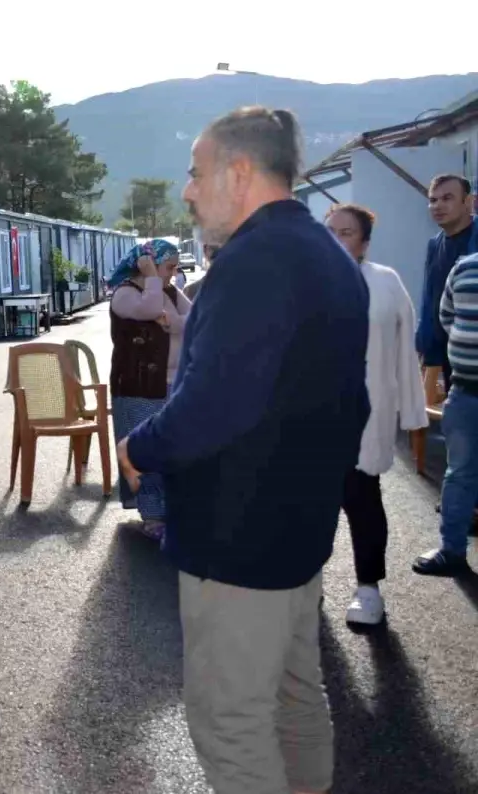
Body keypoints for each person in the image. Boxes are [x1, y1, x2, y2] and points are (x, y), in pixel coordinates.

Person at [118, 107, 369, 794]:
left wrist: (139, 446)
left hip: (238, 535)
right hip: (298, 529)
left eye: (197, 174)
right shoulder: (330, 257)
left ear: (238, 171)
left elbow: (214, 401)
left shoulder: (253, 262)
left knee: (232, 722)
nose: (189, 191)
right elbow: (355, 403)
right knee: (296, 697)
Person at [325, 204, 429, 623]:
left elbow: (407, 351)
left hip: (367, 414)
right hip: (310, 418)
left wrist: (412, 412)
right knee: (308, 505)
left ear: (365, 242)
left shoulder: (386, 283)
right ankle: (304, 583)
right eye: (329, 231)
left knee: (362, 499)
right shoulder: (302, 284)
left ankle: (369, 589)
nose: (335, 239)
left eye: (346, 232)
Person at [107, 240, 190, 540]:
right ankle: (152, 515)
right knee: (145, 451)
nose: (174, 273)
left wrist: (172, 323)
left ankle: (170, 509)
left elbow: (194, 319)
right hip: (139, 387)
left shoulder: (168, 290)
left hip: (173, 384)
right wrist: (153, 278)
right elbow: (151, 309)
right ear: (150, 264)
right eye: (169, 266)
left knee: (172, 449)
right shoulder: (125, 293)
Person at [416, 244, 478, 577]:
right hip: (466, 392)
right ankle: (452, 551)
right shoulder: (464, 268)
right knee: (460, 475)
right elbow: (447, 317)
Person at [415, 175, 476, 396]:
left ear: (468, 202)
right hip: (454, 356)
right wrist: (425, 343)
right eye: (433, 200)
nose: (438, 205)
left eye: (447, 198)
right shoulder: (435, 245)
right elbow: (430, 298)